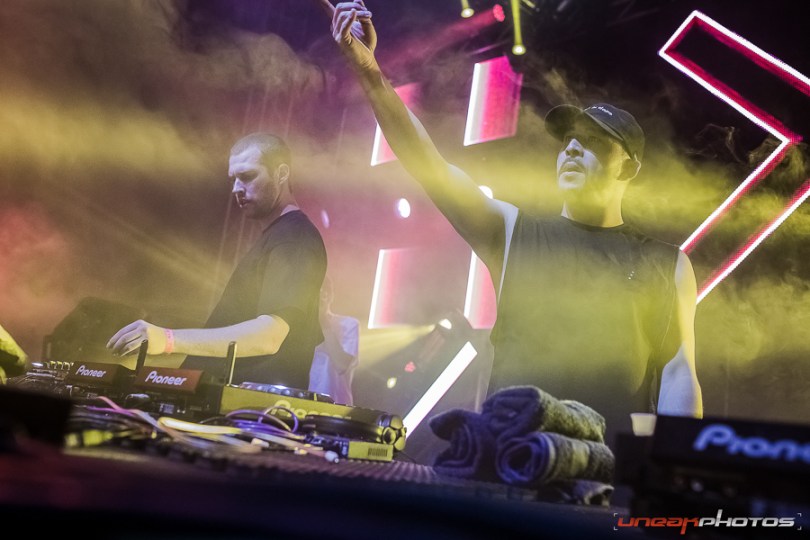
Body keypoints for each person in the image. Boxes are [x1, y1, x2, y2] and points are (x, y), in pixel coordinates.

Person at [318, 1, 702, 447]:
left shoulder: (666, 262)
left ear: (628, 167)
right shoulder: (514, 231)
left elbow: (678, 372)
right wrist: (370, 73)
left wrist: (676, 468)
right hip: (509, 461)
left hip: (605, 468)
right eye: (568, 140)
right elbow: (428, 164)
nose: (571, 149)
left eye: (593, 141)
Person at [107, 133, 327, 389]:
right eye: (233, 179)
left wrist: (168, 340)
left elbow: (269, 336)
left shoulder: (295, 238)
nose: (236, 188)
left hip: (247, 408)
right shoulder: (279, 236)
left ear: (281, 174)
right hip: (225, 399)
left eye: (247, 176)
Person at [308, 275, 360, 405]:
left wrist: (323, 321)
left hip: (335, 406)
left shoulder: (348, 324)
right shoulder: (299, 327)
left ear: (328, 295)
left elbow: (341, 365)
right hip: (302, 402)